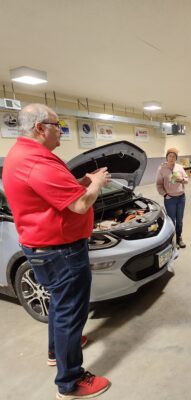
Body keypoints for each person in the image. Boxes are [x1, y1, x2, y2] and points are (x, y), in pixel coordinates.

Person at [2, 104, 111, 399]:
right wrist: (97, 184)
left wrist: (83, 182)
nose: (60, 128)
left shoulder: (22, 155)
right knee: (70, 313)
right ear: (40, 128)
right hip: (61, 251)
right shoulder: (37, 161)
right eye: (57, 124)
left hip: (44, 246)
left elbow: (55, 194)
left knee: (61, 305)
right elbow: (79, 205)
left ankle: (57, 349)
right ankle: (70, 382)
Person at [156, 147, 188, 248]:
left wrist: (181, 179)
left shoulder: (179, 167)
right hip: (170, 199)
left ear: (176, 158)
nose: (172, 158)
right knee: (171, 220)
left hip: (181, 197)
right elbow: (159, 185)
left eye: (174, 156)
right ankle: (173, 239)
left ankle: (179, 238)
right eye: (170, 156)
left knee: (179, 220)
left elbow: (187, 180)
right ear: (167, 157)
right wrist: (165, 195)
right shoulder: (161, 169)